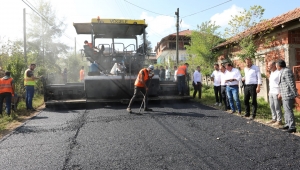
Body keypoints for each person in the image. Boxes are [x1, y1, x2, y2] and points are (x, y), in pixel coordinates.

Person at [276, 59, 297, 133]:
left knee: (288, 110)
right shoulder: (282, 71)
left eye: (276, 65)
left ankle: (292, 126)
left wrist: (295, 93)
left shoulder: (286, 71)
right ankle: (287, 124)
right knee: (286, 110)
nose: (276, 67)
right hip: (284, 94)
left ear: (279, 66)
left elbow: (291, 83)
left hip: (288, 94)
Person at [266, 60, 282, 126]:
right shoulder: (271, 73)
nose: (268, 67)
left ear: (273, 65)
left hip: (276, 92)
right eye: (268, 66)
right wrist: (269, 91)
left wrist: (280, 93)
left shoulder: (279, 72)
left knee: (277, 107)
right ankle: (274, 118)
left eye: (269, 66)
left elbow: (281, 83)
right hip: (271, 92)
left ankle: (279, 120)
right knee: (272, 106)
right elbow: (271, 83)